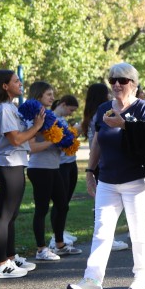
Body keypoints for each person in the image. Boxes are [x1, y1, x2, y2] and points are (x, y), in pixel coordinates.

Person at [68, 63, 145, 289]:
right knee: (101, 232)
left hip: (136, 181)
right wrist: (90, 171)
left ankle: (142, 276)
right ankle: (92, 281)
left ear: (134, 84)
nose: (117, 84)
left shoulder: (143, 107)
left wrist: (125, 124)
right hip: (107, 180)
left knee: (138, 231)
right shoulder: (104, 109)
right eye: (112, 80)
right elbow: (97, 141)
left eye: (122, 80)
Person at [0, 70, 45, 278]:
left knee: (11, 216)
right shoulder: (3, 109)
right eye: (16, 81)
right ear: (5, 86)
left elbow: (22, 137)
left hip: (16, 163)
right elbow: (16, 139)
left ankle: (9, 257)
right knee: (4, 216)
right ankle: (0, 265)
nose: (20, 84)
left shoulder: (11, 107)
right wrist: (37, 126)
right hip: (8, 164)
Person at [25, 82, 80, 262]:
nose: (52, 97)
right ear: (38, 95)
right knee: (42, 209)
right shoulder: (33, 118)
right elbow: (31, 147)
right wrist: (54, 140)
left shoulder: (50, 116)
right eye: (48, 94)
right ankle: (41, 249)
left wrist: (67, 141)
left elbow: (60, 140)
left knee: (62, 205)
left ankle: (59, 244)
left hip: (54, 167)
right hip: (40, 168)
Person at [81, 83, 129, 252]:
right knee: (106, 204)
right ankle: (107, 238)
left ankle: (105, 237)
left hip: (97, 161)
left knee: (101, 202)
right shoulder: (103, 113)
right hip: (104, 160)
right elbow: (100, 139)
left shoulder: (90, 113)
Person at [48, 94, 81, 250]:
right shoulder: (51, 119)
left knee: (65, 202)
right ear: (63, 104)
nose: (70, 114)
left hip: (70, 162)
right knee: (60, 203)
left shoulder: (62, 120)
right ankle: (56, 237)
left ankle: (60, 232)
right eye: (70, 110)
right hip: (60, 164)